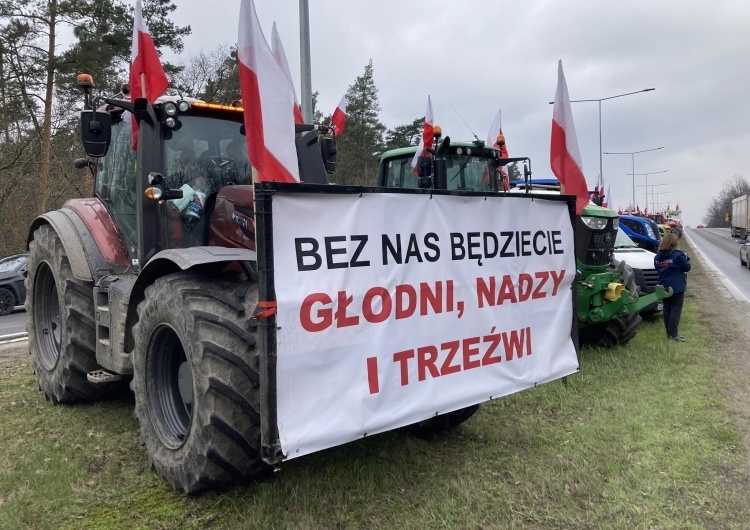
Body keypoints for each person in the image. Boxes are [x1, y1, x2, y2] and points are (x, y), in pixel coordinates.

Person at [654, 232, 691, 342]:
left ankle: (669, 334)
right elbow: (687, 267)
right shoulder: (678, 255)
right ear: (674, 243)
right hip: (677, 287)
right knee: (675, 309)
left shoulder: (658, 256)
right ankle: (674, 334)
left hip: (663, 286)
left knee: (667, 309)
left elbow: (657, 268)